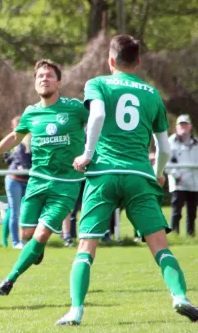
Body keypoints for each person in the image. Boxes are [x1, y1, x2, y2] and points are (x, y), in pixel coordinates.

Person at [56, 35, 198, 325]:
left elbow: (96, 117)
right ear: (138, 61)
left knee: (86, 247)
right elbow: (165, 147)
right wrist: (157, 173)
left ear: (111, 60)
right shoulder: (152, 94)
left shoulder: (97, 84)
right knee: (160, 246)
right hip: (138, 174)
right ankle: (180, 296)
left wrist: (86, 153)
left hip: (104, 174)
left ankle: (76, 311)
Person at [0, 59, 88, 296]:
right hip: (37, 181)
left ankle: (9, 279)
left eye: (48, 75)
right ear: (35, 83)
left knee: (40, 234)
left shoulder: (76, 108)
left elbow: (99, 123)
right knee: (26, 234)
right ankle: (37, 247)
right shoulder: (31, 113)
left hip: (66, 185)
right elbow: (14, 137)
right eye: (40, 76)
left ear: (59, 82)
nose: (44, 79)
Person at [2, 116, 32, 249]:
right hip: (14, 179)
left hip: (26, 179)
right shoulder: (15, 141)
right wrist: (18, 163)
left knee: (23, 211)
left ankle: (24, 239)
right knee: (13, 211)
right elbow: (13, 157)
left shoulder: (31, 139)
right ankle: (14, 242)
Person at [167, 114, 198, 237]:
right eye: (181, 125)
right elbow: (166, 162)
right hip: (178, 184)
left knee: (192, 212)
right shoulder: (170, 142)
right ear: (177, 127)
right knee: (176, 211)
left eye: (186, 124)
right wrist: (176, 175)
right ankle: (174, 235)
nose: (183, 127)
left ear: (190, 126)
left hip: (194, 184)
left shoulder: (196, 143)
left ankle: (191, 235)